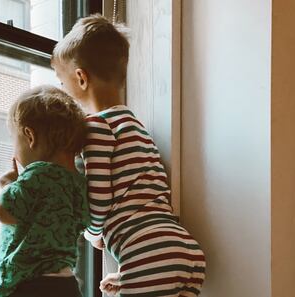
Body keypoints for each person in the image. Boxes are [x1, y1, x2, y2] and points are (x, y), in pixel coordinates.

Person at [51, 14, 206, 296]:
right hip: (183, 248)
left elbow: (100, 198)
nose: (64, 91)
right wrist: (127, 278)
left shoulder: (96, 127)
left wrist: (92, 233)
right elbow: (140, 198)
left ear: (80, 78)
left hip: (145, 249)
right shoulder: (134, 126)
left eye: (62, 83)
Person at [0, 85, 90, 297]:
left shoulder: (38, 175)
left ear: (30, 136)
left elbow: (5, 211)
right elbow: (84, 221)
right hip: (67, 285)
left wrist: (7, 186)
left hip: (31, 283)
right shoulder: (79, 183)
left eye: (14, 141)